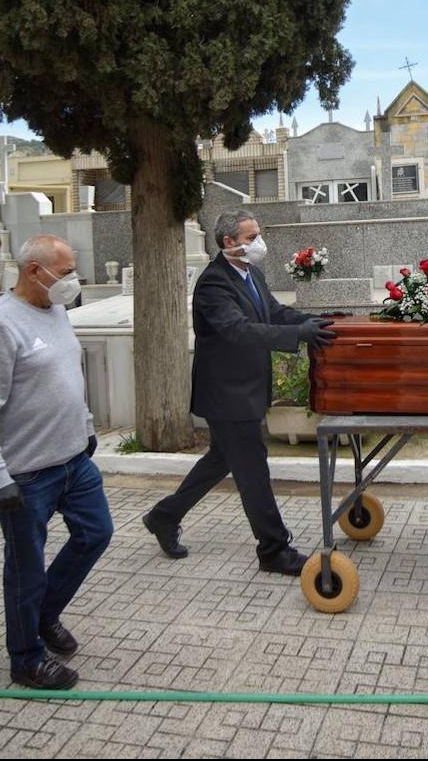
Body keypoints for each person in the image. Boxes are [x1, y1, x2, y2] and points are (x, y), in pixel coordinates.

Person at [141, 209, 335, 575]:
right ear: (229, 243)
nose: (258, 243)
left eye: (257, 235)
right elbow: (239, 330)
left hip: (247, 388)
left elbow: (273, 313)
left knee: (221, 460)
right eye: (250, 238)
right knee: (252, 470)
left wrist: (313, 321)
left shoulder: (252, 274)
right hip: (227, 394)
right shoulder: (214, 284)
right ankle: (274, 549)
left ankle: (164, 516)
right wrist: (297, 337)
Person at [0, 234, 112, 690]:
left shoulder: (57, 311)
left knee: (96, 533)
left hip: (73, 461)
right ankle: (25, 657)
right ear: (33, 271)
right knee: (25, 566)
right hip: (25, 474)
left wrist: (85, 428)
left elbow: (69, 376)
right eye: (65, 273)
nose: (73, 281)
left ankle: (44, 615)